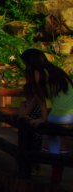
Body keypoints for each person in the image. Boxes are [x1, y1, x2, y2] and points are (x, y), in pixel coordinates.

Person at [20, 48, 73, 183]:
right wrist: (25, 113)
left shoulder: (38, 73)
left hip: (61, 117)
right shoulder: (57, 71)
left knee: (52, 133)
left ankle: (56, 165)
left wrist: (43, 119)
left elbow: (40, 99)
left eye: (26, 64)